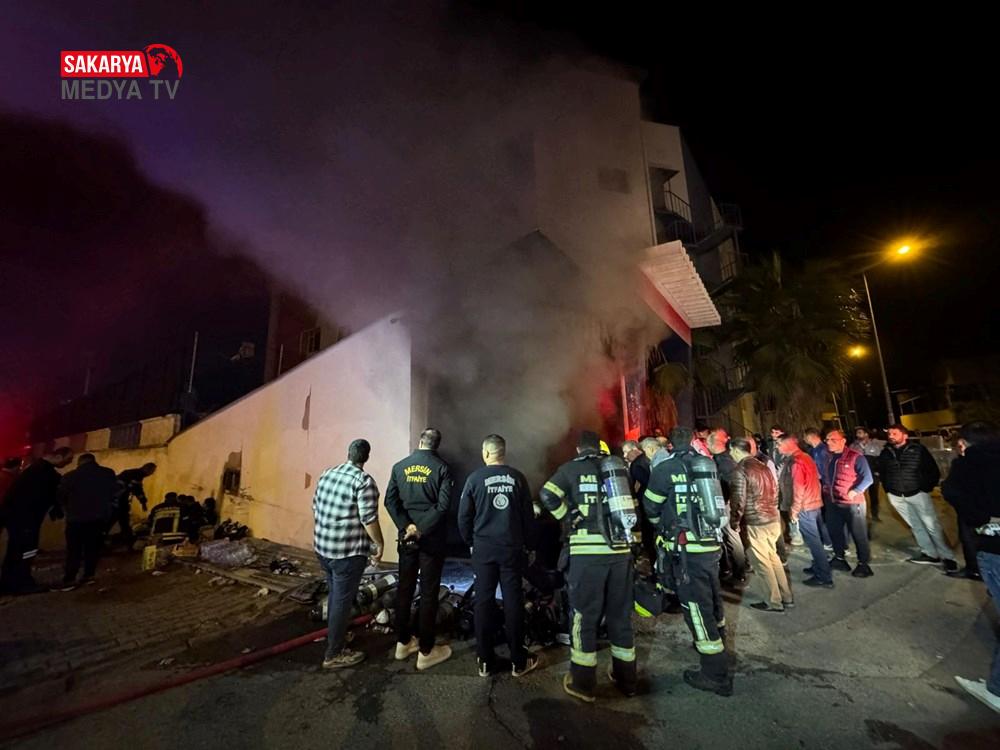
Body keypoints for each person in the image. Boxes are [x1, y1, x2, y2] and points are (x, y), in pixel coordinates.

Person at [540, 430, 637, 702]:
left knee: (583, 616)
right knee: (620, 616)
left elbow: (547, 495)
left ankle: (583, 684)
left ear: (578, 450)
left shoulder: (571, 469)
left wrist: (567, 517)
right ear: (600, 448)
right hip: (620, 553)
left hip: (587, 554)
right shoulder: (617, 469)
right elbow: (631, 507)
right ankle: (627, 680)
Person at [645, 426, 732, 696]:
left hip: (686, 551)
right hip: (711, 544)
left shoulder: (665, 469)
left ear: (670, 445)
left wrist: (662, 527)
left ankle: (714, 674)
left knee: (695, 606)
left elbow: (650, 507)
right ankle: (719, 641)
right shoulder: (706, 464)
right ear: (694, 442)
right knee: (712, 596)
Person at [458, 434, 539, 678]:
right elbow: (528, 517)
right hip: (511, 548)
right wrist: (530, 545)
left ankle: (484, 660)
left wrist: (471, 542)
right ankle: (518, 661)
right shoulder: (517, 478)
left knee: (483, 601)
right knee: (513, 600)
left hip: (484, 549)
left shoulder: (474, 479)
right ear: (503, 452)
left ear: (486, 453)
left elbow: (463, 517)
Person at [942, 421, 1000, 712]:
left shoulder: (969, 464)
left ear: (963, 443)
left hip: (994, 546)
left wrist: (981, 519)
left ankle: (997, 690)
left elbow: (953, 492)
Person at [384, 428, 454, 670]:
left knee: (404, 588)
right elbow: (443, 506)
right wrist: (421, 528)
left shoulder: (399, 466)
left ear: (420, 442)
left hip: (406, 539)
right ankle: (426, 650)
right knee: (428, 593)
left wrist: (407, 527)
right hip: (431, 540)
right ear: (437, 445)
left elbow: (390, 501)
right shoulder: (442, 468)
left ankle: (402, 643)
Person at [313, 438, 385, 669]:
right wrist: (379, 543)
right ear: (367, 457)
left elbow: (315, 505)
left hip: (323, 548)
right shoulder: (363, 481)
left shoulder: (327, 473)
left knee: (335, 596)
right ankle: (334, 654)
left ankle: (338, 635)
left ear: (348, 453)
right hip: (346, 554)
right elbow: (368, 519)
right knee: (341, 602)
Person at [880, 424, 957, 572]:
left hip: (917, 493)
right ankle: (929, 553)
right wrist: (888, 489)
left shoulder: (918, 450)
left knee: (931, 525)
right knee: (915, 525)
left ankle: (947, 557)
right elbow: (883, 472)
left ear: (905, 435)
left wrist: (925, 488)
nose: (891, 436)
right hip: (896, 495)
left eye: (895, 433)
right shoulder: (886, 452)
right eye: (889, 433)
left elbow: (932, 470)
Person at [729, 438, 792, 612]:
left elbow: (738, 500)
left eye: (731, 451)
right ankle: (786, 596)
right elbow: (776, 491)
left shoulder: (741, 470)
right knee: (773, 558)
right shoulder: (763, 466)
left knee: (762, 564)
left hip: (755, 522)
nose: (730, 454)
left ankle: (773, 601)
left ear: (736, 450)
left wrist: (735, 522)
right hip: (771, 519)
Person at [0, 447, 73, 594]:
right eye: (68, 459)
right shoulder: (44, 472)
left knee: (17, 550)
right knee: (25, 551)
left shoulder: (34, 470)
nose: (68, 463)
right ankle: (21, 583)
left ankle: (10, 582)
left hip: (19, 519)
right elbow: (52, 493)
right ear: (58, 456)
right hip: (26, 520)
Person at [778, 434, 831, 588]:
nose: (777, 447)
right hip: (813, 503)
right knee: (815, 540)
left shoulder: (797, 461)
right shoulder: (805, 457)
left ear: (788, 444)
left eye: (779, 444)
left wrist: (795, 510)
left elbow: (798, 487)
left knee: (813, 542)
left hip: (805, 507)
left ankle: (823, 576)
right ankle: (818, 567)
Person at [57, 453, 116, 590]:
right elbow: (115, 492)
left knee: (74, 549)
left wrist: (67, 508)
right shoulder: (107, 473)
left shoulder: (71, 476)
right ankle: (89, 575)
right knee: (93, 548)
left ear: (80, 462)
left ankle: (70, 577)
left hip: (76, 518)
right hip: (98, 518)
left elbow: (61, 496)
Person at [822, 430, 874, 577]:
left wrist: (856, 490)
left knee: (858, 534)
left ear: (843, 441)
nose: (829, 443)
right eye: (827, 440)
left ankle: (863, 563)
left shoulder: (856, 457)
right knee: (835, 531)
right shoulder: (829, 457)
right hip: (833, 501)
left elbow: (868, 478)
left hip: (852, 504)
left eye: (833, 440)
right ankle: (839, 558)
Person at [707, 426, 746, 584]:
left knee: (732, 538)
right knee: (730, 538)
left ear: (713, 444)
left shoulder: (722, 462)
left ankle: (739, 572)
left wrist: (727, 502)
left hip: (726, 504)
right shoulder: (725, 459)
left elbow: (732, 484)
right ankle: (735, 569)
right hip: (727, 503)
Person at [108, 462, 156, 547]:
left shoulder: (134, 474)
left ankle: (127, 541)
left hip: (117, 501)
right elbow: (137, 489)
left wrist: (143, 501)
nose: (151, 474)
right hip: (118, 501)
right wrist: (143, 501)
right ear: (147, 469)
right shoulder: (136, 475)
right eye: (152, 471)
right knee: (120, 520)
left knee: (120, 521)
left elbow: (137, 489)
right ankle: (127, 541)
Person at [624, 439, 655, 563]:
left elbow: (645, 483)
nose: (625, 456)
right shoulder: (648, 460)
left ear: (635, 449)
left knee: (647, 535)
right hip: (654, 506)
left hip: (645, 505)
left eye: (626, 452)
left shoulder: (636, 465)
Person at [851, 427, 886, 522]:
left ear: (866, 434)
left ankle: (875, 514)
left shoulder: (875, 444)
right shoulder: (853, 446)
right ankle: (862, 515)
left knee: (874, 495)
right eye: (857, 433)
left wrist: (879, 471)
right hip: (859, 475)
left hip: (873, 474)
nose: (857, 435)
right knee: (859, 495)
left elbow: (881, 459)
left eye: (860, 432)